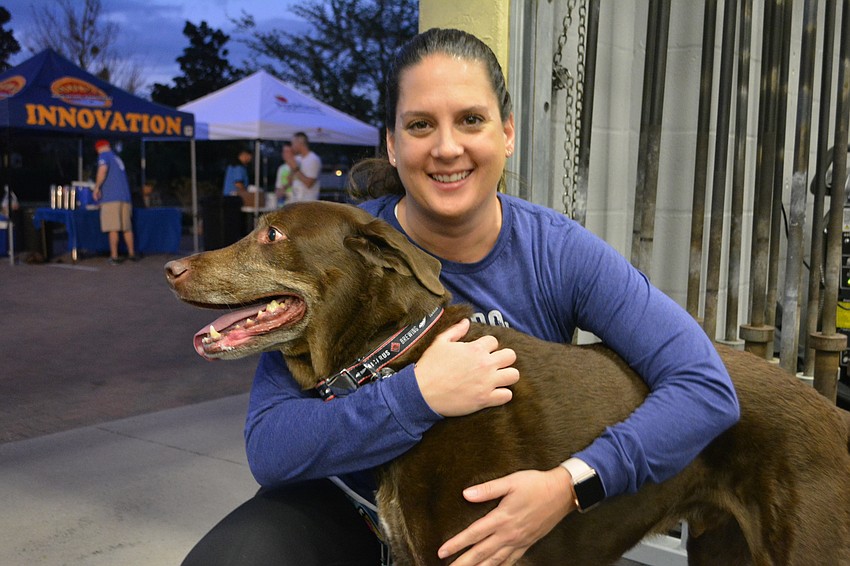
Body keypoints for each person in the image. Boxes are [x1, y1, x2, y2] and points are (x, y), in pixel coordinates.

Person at [182, 28, 739, 565]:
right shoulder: (339, 250)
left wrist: (572, 485)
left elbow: (705, 386)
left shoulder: (557, 252)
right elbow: (272, 447)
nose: (448, 148)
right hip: (346, 508)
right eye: (421, 125)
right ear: (394, 146)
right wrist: (417, 394)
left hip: (486, 523)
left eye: (471, 120)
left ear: (508, 134)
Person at [92, 139, 137, 264]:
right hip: (125, 198)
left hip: (111, 198)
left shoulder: (104, 156)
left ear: (98, 148)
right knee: (127, 228)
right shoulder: (117, 158)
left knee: (113, 228)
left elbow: (102, 170)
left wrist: (96, 188)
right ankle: (132, 254)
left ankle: (114, 256)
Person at [282, 132, 321, 203]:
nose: (292, 146)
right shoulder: (297, 159)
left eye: (293, 143)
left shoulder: (313, 159)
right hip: (295, 202)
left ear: (299, 143)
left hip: (308, 204)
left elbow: (309, 183)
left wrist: (295, 168)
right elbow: (290, 181)